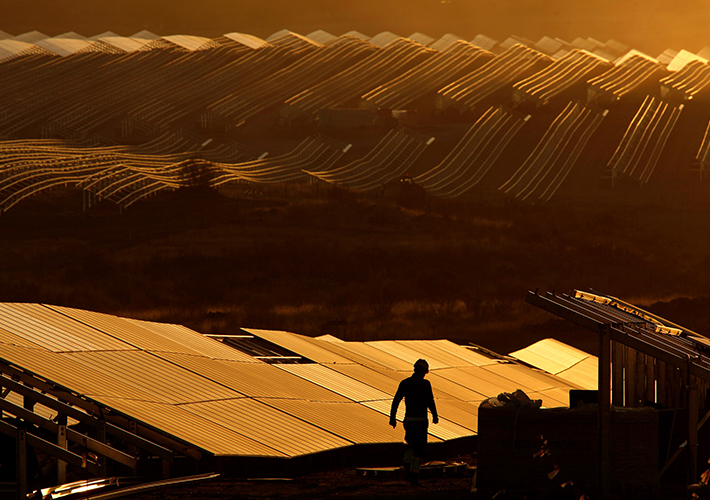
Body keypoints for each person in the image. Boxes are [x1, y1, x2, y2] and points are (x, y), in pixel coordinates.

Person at [389, 358, 439, 485]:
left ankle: (407, 465)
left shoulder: (405, 383)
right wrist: (434, 415)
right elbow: (430, 401)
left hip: (409, 421)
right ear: (424, 371)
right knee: (420, 449)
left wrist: (392, 417)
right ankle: (414, 475)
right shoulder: (425, 384)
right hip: (421, 421)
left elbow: (396, 400)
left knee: (411, 445)